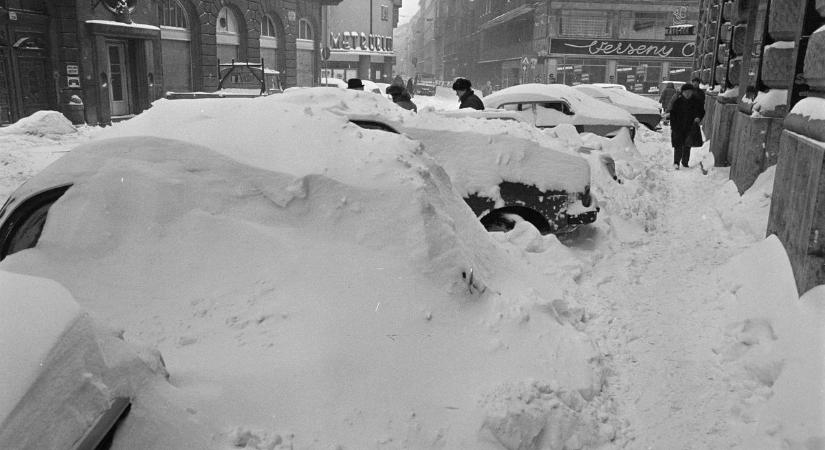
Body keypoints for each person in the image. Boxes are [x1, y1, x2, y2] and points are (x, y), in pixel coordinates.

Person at [669, 83, 705, 169]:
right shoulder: (678, 102)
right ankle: (676, 162)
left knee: (687, 145)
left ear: (692, 92)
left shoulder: (696, 101)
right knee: (678, 145)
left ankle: (685, 162)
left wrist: (698, 117)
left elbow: (701, 111)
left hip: (690, 126)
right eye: (686, 92)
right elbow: (672, 114)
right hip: (678, 126)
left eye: (689, 92)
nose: (688, 94)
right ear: (682, 92)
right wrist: (673, 126)